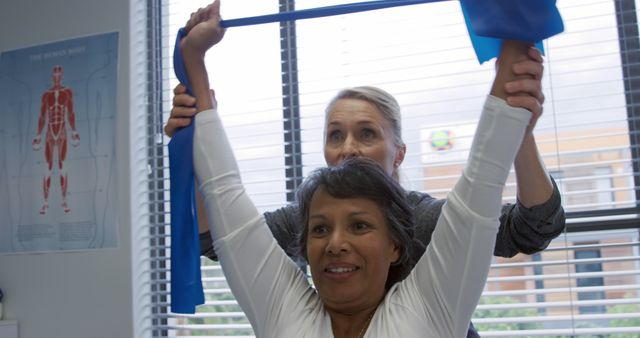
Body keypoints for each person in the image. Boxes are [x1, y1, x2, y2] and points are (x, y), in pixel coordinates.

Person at [170, 1, 565, 337]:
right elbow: (224, 224)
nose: (349, 150)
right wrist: (194, 112)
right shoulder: (301, 228)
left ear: (399, 152)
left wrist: (518, 128)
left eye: (366, 134)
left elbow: (506, 200)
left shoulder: (425, 226)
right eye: (335, 135)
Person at [33, 65, 80, 214]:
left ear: (62, 75)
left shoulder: (67, 92)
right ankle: (45, 203)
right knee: (47, 168)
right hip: (49, 133)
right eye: (55, 74)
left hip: (62, 132)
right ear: (52, 76)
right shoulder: (46, 95)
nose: (57, 77)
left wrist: (74, 131)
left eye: (59, 74)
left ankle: (64, 201)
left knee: (62, 166)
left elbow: (71, 113)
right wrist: (38, 136)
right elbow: (42, 116)